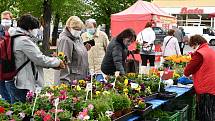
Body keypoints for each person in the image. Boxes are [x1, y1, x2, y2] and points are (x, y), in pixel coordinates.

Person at [8, 14, 65, 102]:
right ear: (30, 28)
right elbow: (40, 59)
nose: (36, 31)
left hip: (14, 80)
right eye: (35, 28)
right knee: (25, 111)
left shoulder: (14, 37)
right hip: (23, 84)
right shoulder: (24, 40)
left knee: (16, 111)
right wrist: (57, 62)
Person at [184, 35, 215, 121]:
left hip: (206, 88)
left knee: (206, 115)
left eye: (192, 46)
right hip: (212, 85)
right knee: (211, 112)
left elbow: (187, 71)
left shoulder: (199, 54)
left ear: (196, 43)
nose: (193, 48)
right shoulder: (210, 50)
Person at [54, 16, 91, 84]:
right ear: (68, 27)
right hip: (71, 80)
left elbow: (77, 54)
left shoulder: (78, 38)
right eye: (76, 29)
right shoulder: (65, 40)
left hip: (81, 79)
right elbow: (63, 63)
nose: (78, 31)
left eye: (80, 29)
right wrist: (64, 84)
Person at [0, 11, 13, 103]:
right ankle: (7, 104)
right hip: (0, 64)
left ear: (11, 20)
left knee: (10, 87)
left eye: (7, 19)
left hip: (10, 65)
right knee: (1, 87)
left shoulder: (14, 31)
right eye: (3, 18)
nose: (5, 20)